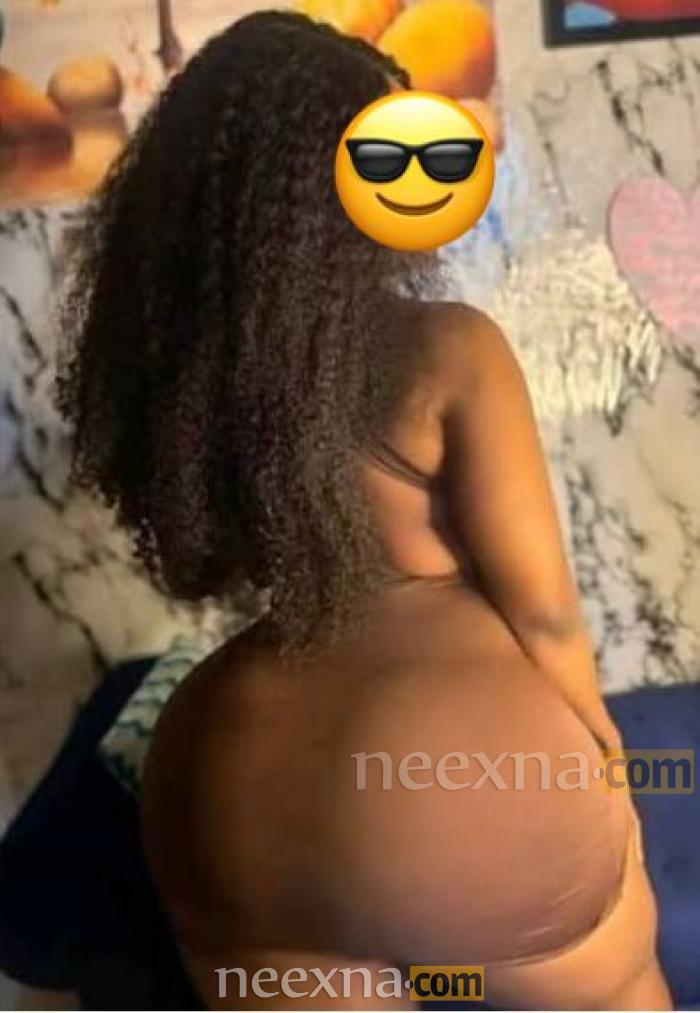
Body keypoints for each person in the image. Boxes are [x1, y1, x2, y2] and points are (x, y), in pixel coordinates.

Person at [55, 9, 672, 1010]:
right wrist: (601, 757)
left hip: (223, 783)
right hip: (464, 787)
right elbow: (546, 611)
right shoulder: (447, 349)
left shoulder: (175, 374)